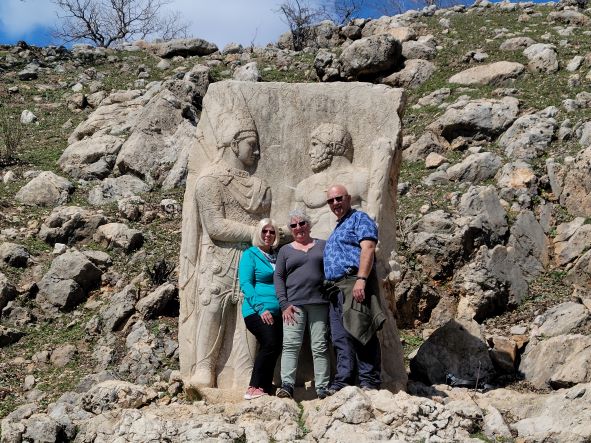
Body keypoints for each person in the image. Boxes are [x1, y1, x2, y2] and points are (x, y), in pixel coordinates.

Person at [179, 109, 272, 390]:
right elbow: (215, 226)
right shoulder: (209, 181)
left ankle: (244, 372)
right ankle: (204, 368)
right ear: (234, 144)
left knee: (249, 316)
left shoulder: (259, 187)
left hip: (251, 259)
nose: (256, 152)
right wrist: (254, 232)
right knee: (211, 311)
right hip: (218, 258)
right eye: (251, 145)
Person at [323, 184, 386, 394]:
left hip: (353, 282)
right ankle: (344, 379)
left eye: (338, 198)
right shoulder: (340, 226)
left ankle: (369, 380)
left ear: (348, 198)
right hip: (336, 289)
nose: (335, 203)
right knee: (340, 336)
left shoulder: (360, 219)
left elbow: (368, 247)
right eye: (331, 201)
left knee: (361, 329)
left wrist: (361, 279)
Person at [274, 209, 331, 399]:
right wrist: (283, 303)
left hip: (319, 303)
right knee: (290, 345)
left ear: (309, 225)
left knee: (320, 345)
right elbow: (279, 277)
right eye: (294, 225)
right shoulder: (285, 250)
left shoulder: (322, 245)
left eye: (302, 223)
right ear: (290, 230)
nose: (299, 228)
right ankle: (287, 385)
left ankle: (322, 386)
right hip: (293, 306)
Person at [239, 219, 283, 400]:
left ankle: (264, 387)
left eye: (272, 232)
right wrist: (261, 308)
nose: (268, 235)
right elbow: (246, 284)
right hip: (256, 310)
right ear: (259, 232)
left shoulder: (277, 255)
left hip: (277, 311)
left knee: (275, 346)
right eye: (264, 231)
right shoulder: (250, 254)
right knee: (270, 343)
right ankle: (254, 386)